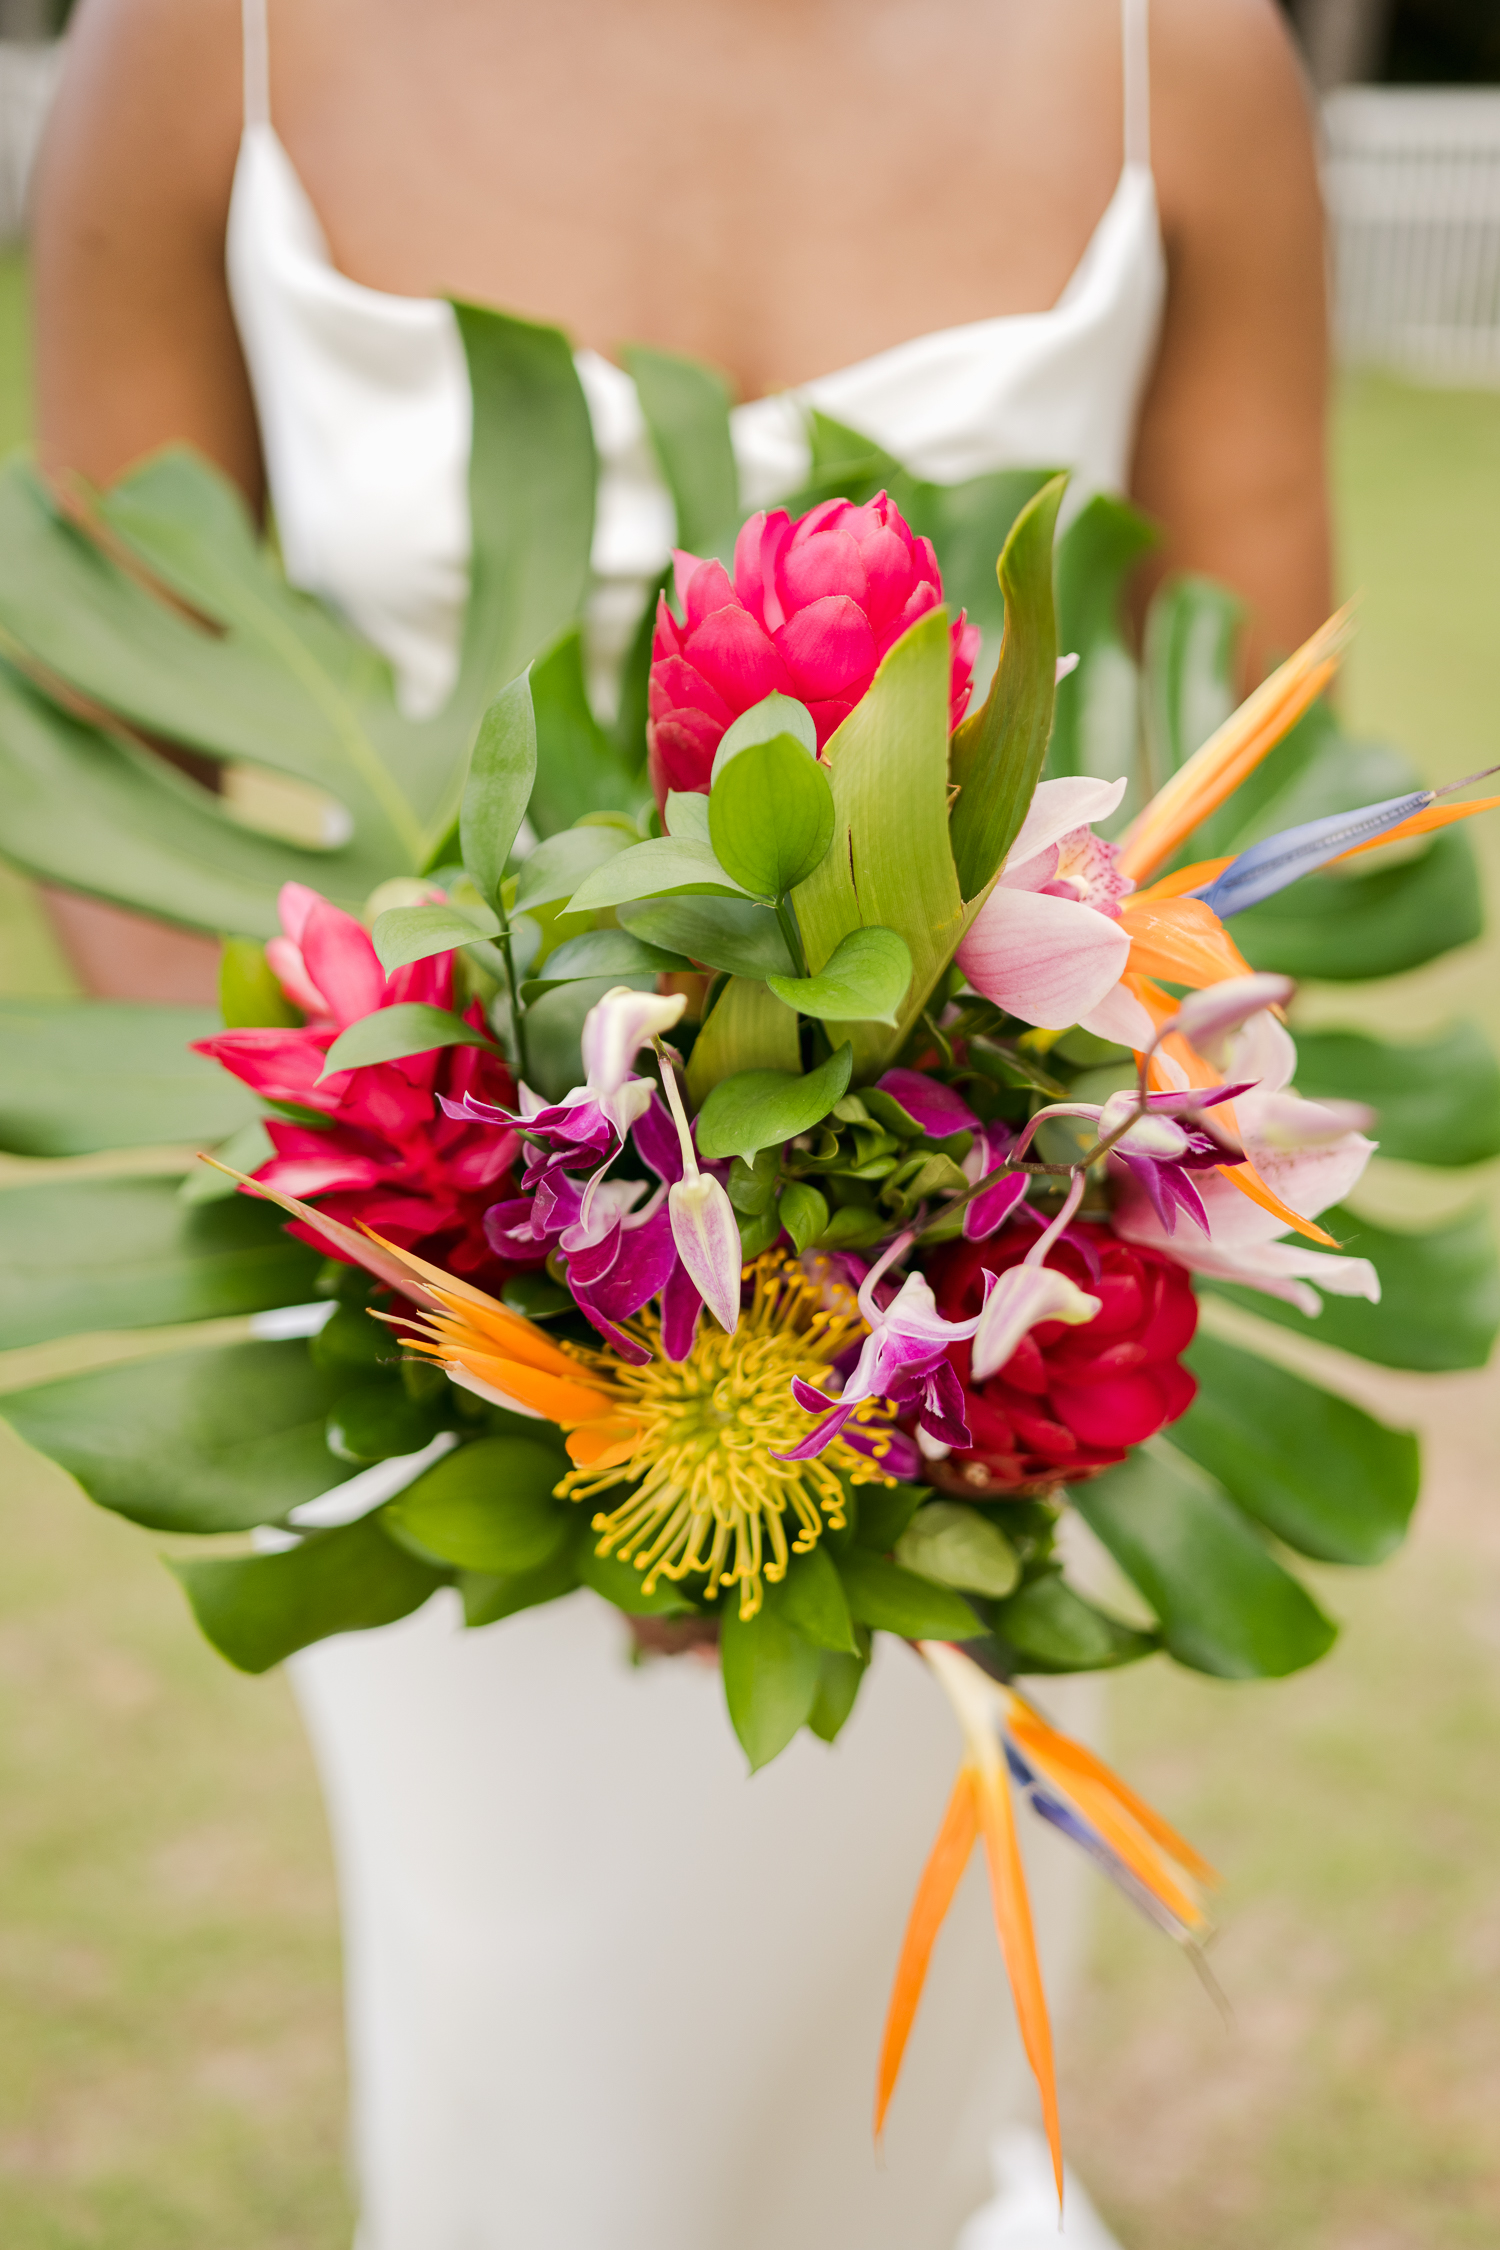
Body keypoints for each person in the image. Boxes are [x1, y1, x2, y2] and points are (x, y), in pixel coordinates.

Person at [29, 1, 1332, 2243]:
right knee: (527, 2064)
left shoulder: (1172, 51)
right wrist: (406, 1218)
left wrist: (981, 1242)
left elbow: (1252, 732)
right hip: (420, 1315)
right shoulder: (204, 42)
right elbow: (102, 740)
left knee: (874, 2076)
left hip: (970, 1311)